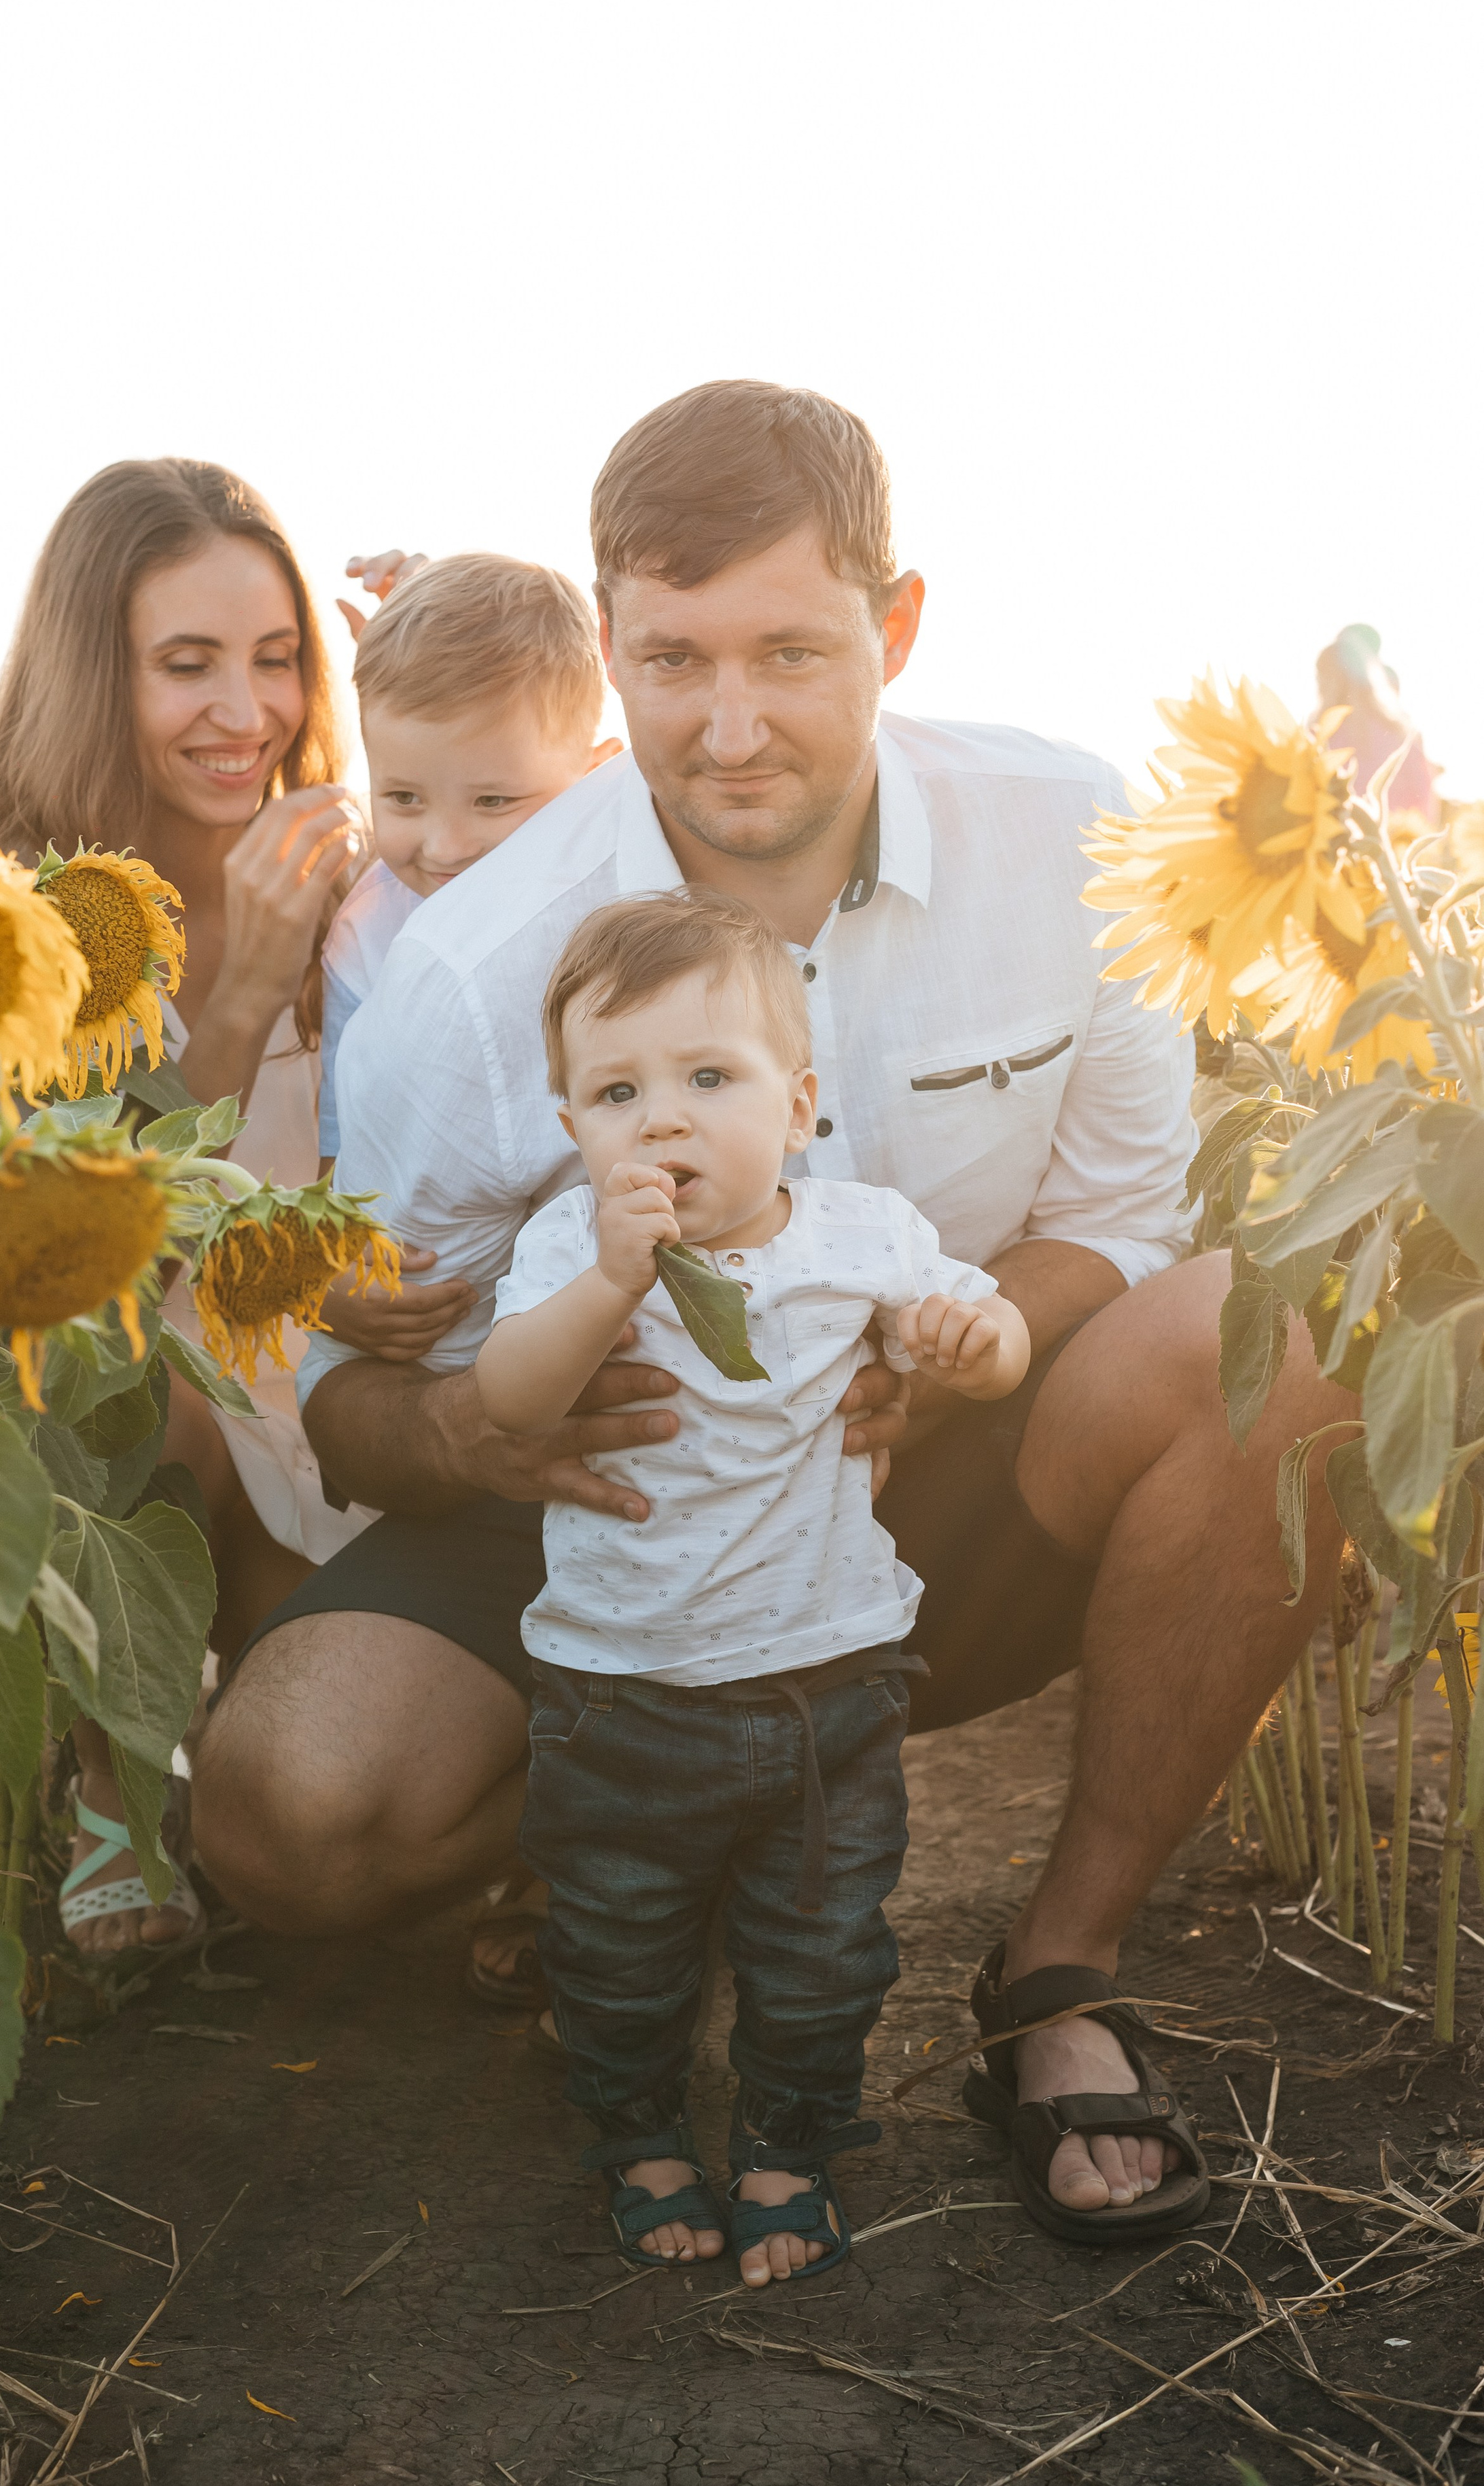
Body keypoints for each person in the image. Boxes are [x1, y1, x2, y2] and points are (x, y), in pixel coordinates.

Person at [193, 379, 1338, 2243]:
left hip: (928, 1487)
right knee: (288, 1811)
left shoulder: (1070, 837)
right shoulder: (483, 966)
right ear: (612, 641)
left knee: (1271, 1342)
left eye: (794, 651)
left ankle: (1058, 1976)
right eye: (675, 660)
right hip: (598, 1532)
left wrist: (956, 1347)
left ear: (896, 626)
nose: (730, 727)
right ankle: (633, 1851)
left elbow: (1126, 1217)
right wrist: (481, 1427)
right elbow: (346, 1383)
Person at [478, 888, 1025, 2285]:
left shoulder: (861, 1235)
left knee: (822, 1948)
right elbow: (507, 1398)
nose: (660, 1119)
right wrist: (610, 1280)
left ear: (796, 1107)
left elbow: (982, 1337)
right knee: (611, 1943)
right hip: (621, 1690)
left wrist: (970, 1338)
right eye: (615, 1091)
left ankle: (787, 2145)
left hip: (824, 1684)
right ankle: (639, 2133)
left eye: (705, 1078)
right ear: (571, 1132)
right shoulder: (569, 1253)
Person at [0, 457, 362, 1960]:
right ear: (92, 674)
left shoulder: (358, 874)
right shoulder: (32, 915)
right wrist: (245, 989)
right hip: (146, 1406)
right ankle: (109, 1782)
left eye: (276, 661)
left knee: (313, 1796)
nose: (243, 714)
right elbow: (79, 1235)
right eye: (185, 665)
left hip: (337, 1383)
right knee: (127, 1380)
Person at [317, 551, 621, 1170]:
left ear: (595, 776)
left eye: (493, 801)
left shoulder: (624, 895)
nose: (446, 846)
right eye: (403, 798)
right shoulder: (365, 937)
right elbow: (342, 1141)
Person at [1314, 623, 1440, 821]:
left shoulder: (1322, 734)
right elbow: (1425, 800)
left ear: (1332, 678)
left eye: (1321, 676)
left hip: (1345, 844)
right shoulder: (1398, 731)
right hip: (1398, 843)